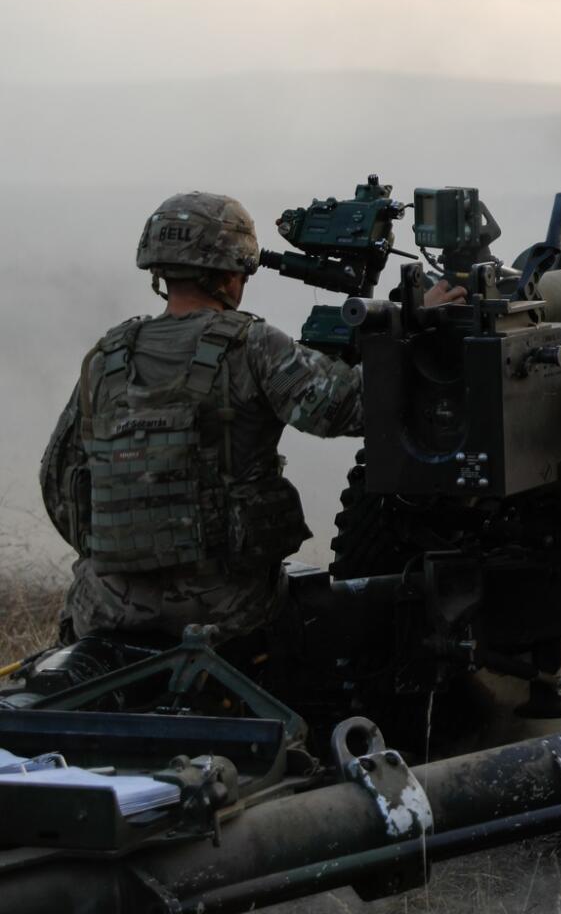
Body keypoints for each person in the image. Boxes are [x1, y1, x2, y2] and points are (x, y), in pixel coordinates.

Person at [35, 191, 460, 659]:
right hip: (228, 612)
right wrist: (412, 326)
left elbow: (60, 482)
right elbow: (358, 408)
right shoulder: (252, 347)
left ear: (159, 268)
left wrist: (129, 559)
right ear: (232, 271)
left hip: (107, 610)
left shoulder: (106, 357)